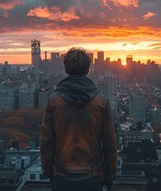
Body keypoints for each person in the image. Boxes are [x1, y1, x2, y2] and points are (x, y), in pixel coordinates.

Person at [40, 47, 117, 191]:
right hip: (92, 175)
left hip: (62, 175)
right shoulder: (101, 101)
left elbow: (46, 141)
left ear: (66, 68)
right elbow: (109, 143)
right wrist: (110, 175)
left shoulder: (54, 101)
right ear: (88, 68)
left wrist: (48, 171)